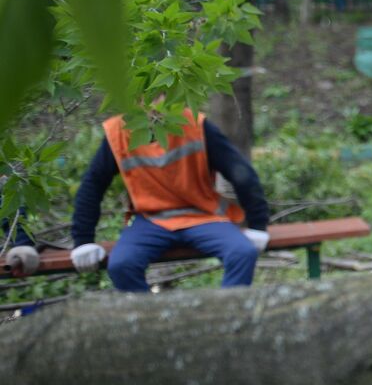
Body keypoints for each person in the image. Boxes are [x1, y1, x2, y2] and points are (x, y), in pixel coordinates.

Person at [69, 109, 270, 292]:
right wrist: (83, 240)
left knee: (242, 253)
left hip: (202, 214)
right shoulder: (118, 131)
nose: (152, 103)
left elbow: (239, 171)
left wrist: (258, 224)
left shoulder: (194, 124)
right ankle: (154, 326)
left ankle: (226, 320)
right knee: (122, 265)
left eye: (159, 94)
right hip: (148, 219)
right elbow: (93, 185)